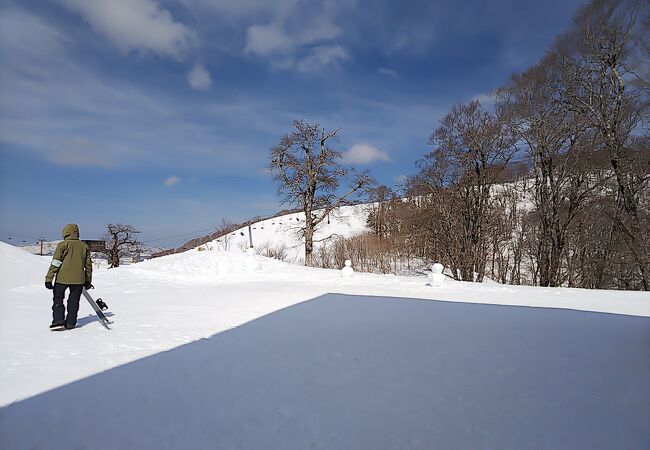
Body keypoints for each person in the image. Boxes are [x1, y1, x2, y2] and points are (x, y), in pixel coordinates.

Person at [45, 224, 93, 330]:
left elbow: (56, 262)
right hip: (78, 280)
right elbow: (88, 266)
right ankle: (71, 323)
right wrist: (88, 280)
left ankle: (58, 320)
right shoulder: (84, 246)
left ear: (66, 232)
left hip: (62, 278)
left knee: (58, 298)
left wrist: (49, 278)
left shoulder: (62, 245)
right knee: (74, 301)